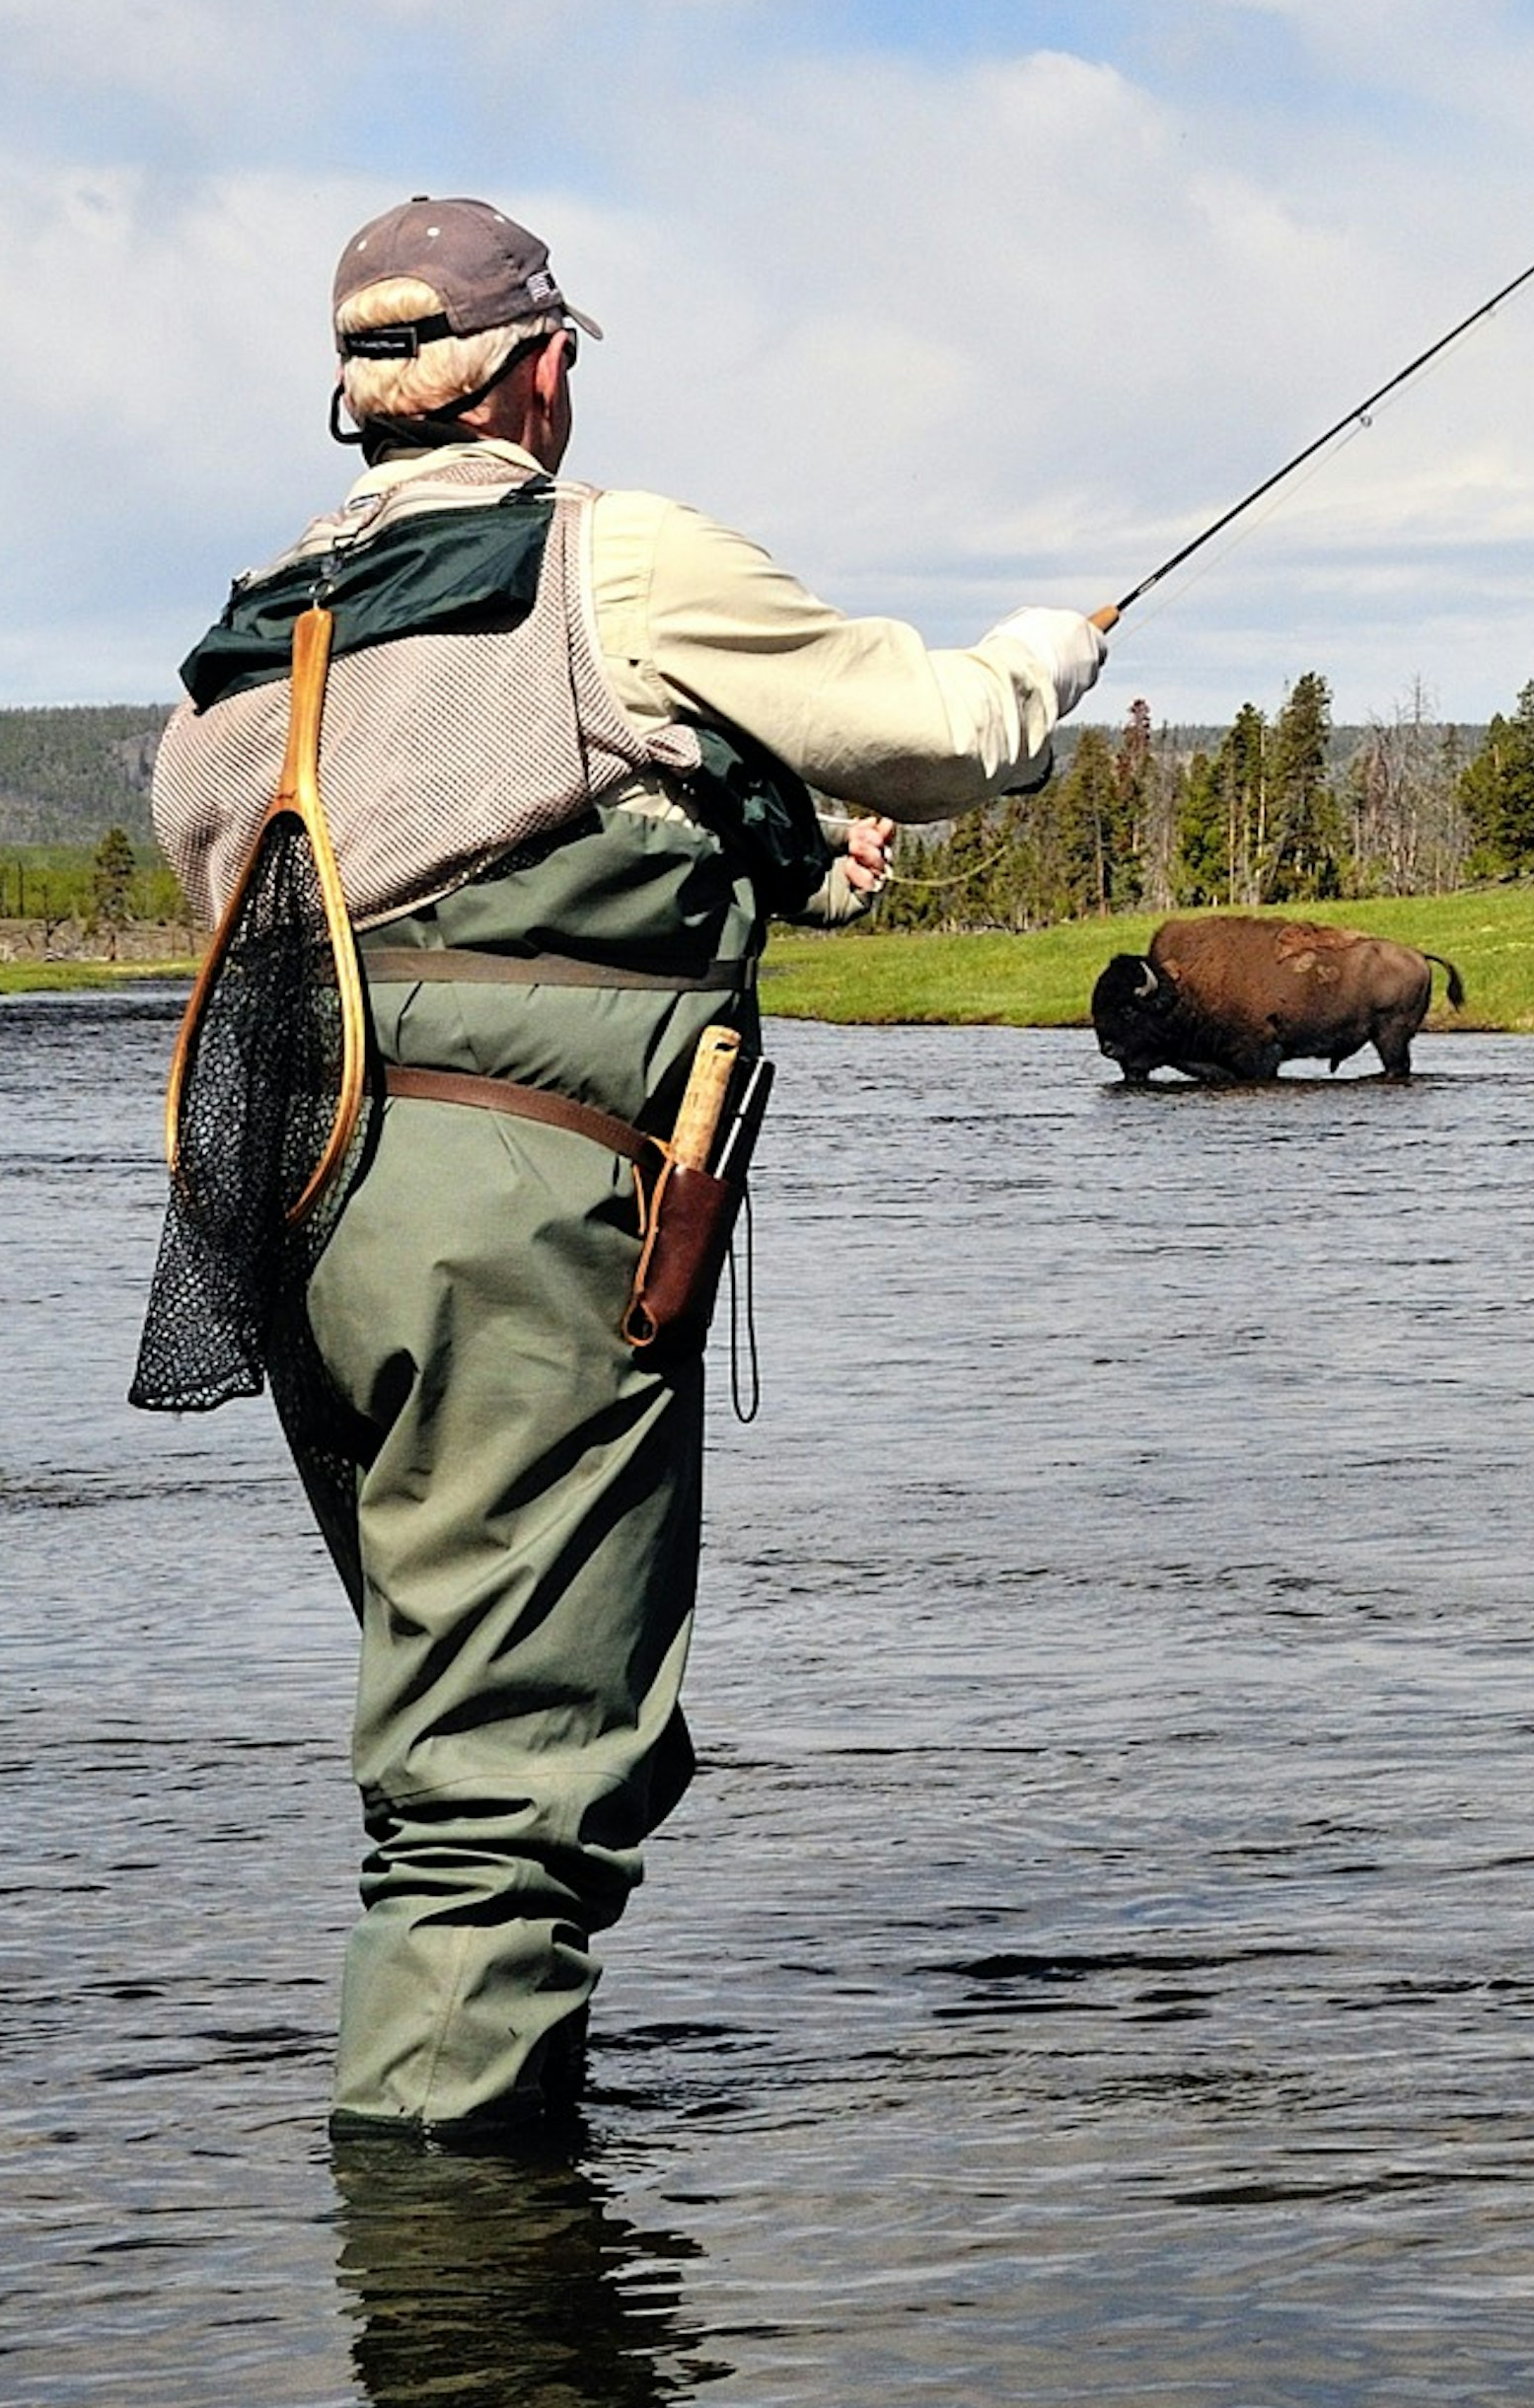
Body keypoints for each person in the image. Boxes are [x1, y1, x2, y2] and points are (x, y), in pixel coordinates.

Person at [148, 195, 1102, 2140]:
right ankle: (467, 2320)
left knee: (457, 1731)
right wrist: (1043, 656)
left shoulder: (245, 638)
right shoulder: (618, 557)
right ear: (549, 369)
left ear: (361, 399)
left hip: (292, 1219)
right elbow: (938, 731)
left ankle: (486, 2205)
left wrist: (761, 847)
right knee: (500, 1793)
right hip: (524, 1225)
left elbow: (431, 867)